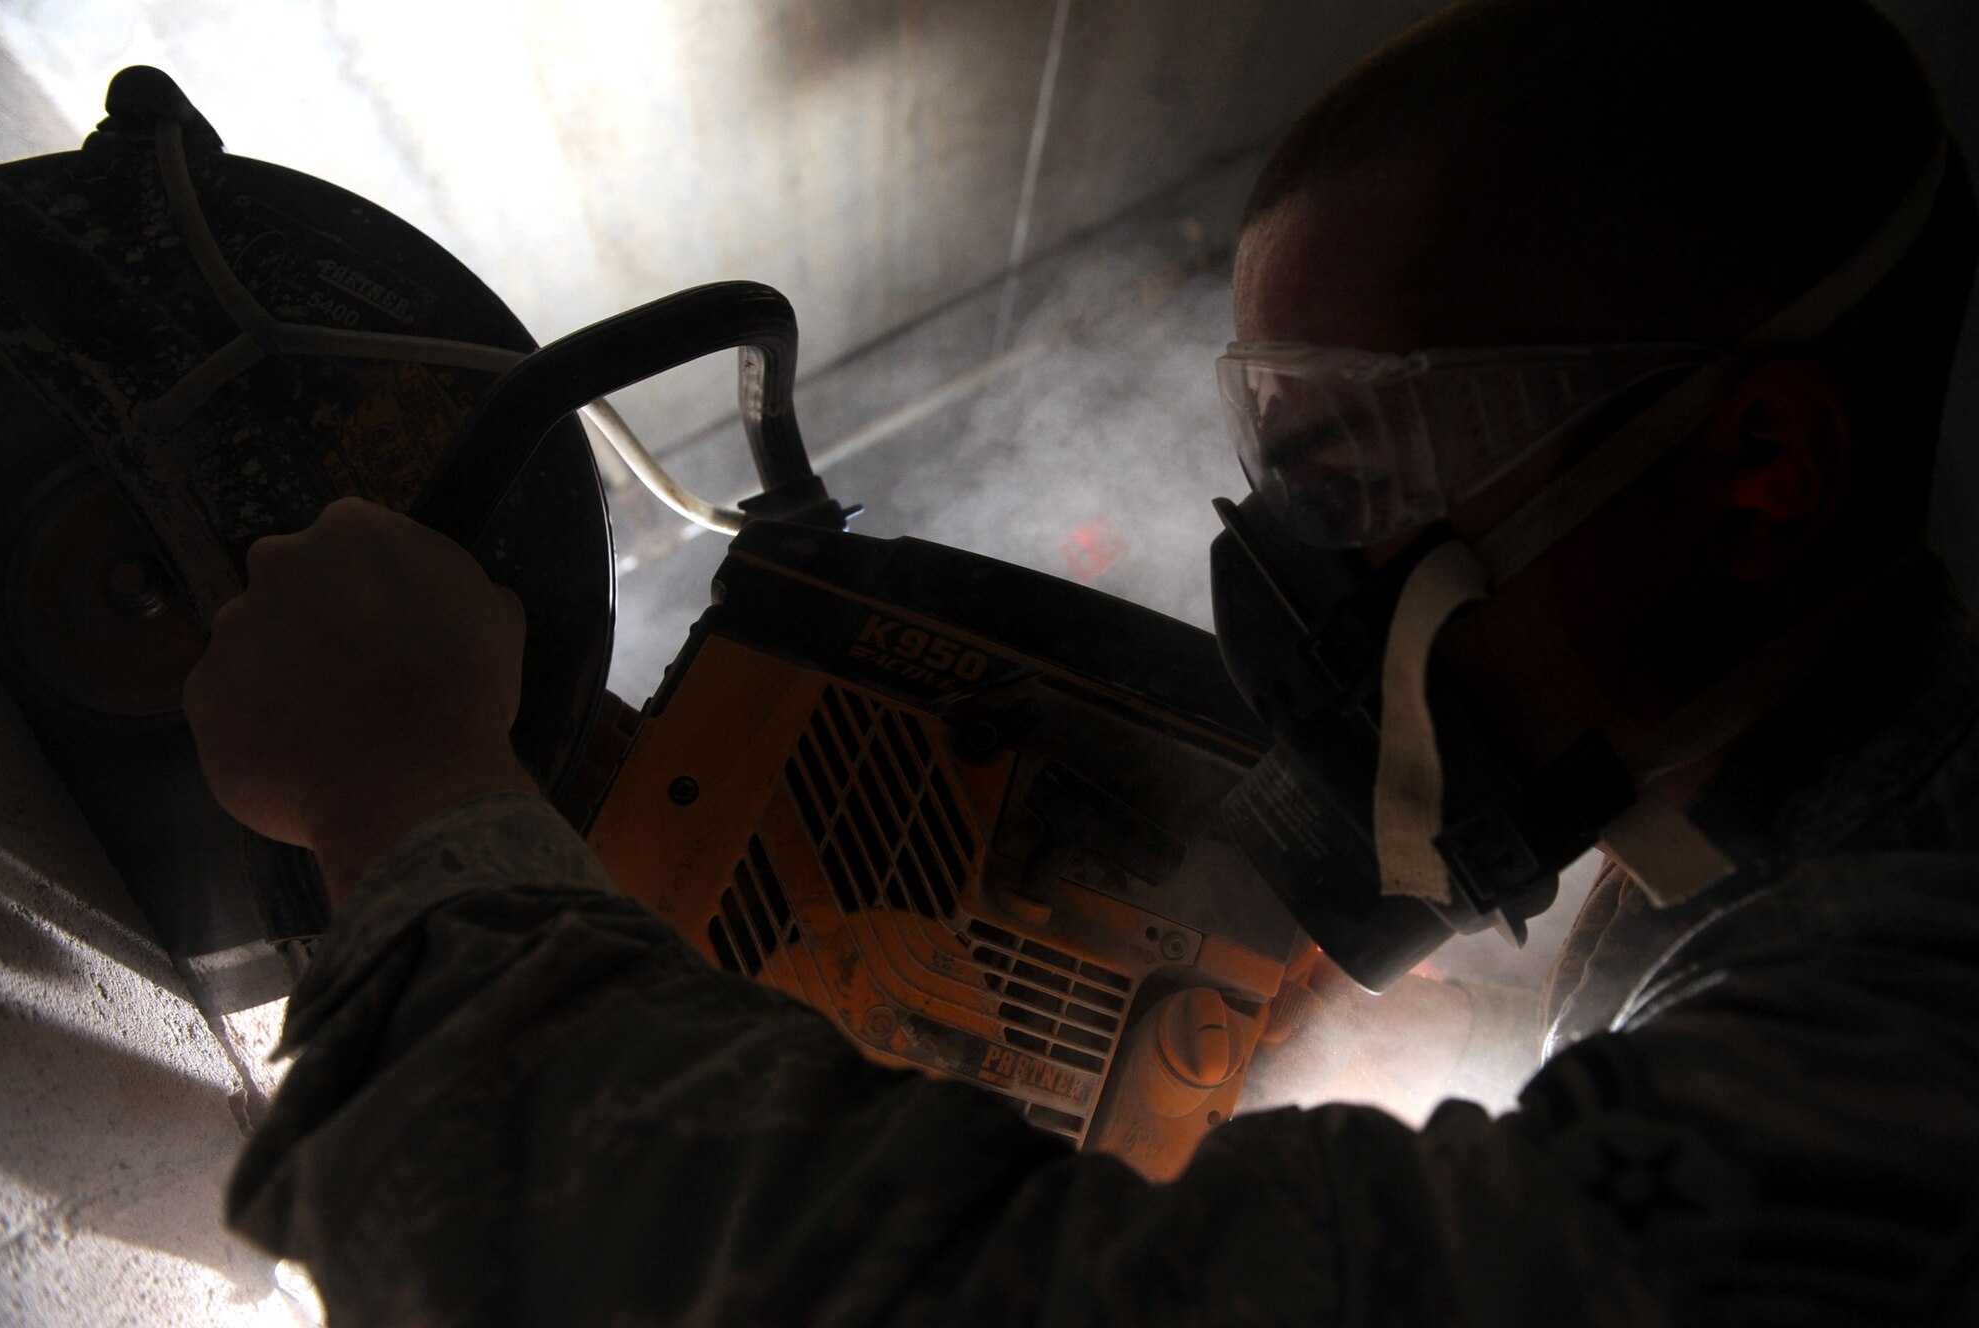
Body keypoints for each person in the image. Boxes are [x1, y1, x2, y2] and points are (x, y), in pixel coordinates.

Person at [185, 0, 1979, 1321]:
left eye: (1361, 475)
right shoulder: (1739, 900)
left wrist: (405, 803)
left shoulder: (1917, 991)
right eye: (1279, 466)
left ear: (1763, 474)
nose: (1297, 570)